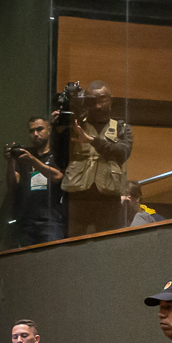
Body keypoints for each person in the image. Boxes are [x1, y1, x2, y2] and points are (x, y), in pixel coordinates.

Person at [62, 82, 134, 237]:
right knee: (73, 247)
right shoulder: (76, 125)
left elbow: (123, 152)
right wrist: (59, 128)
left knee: (108, 247)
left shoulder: (121, 127)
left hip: (108, 201)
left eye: (103, 99)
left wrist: (93, 141)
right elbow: (60, 155)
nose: (98, 105)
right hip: (78, 199)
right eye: (92, 100)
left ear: (111, 99)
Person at [5, 115, 65, 246]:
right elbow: (12, 184)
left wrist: (33, 160)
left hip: (50, 220)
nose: (36, 134)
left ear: (49, 130)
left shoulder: (56, 154)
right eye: (32, 131)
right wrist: (11, 162)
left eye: (39, 129)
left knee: (52, 258)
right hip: (27, 220)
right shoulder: (24, 156)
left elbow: (58, 177)